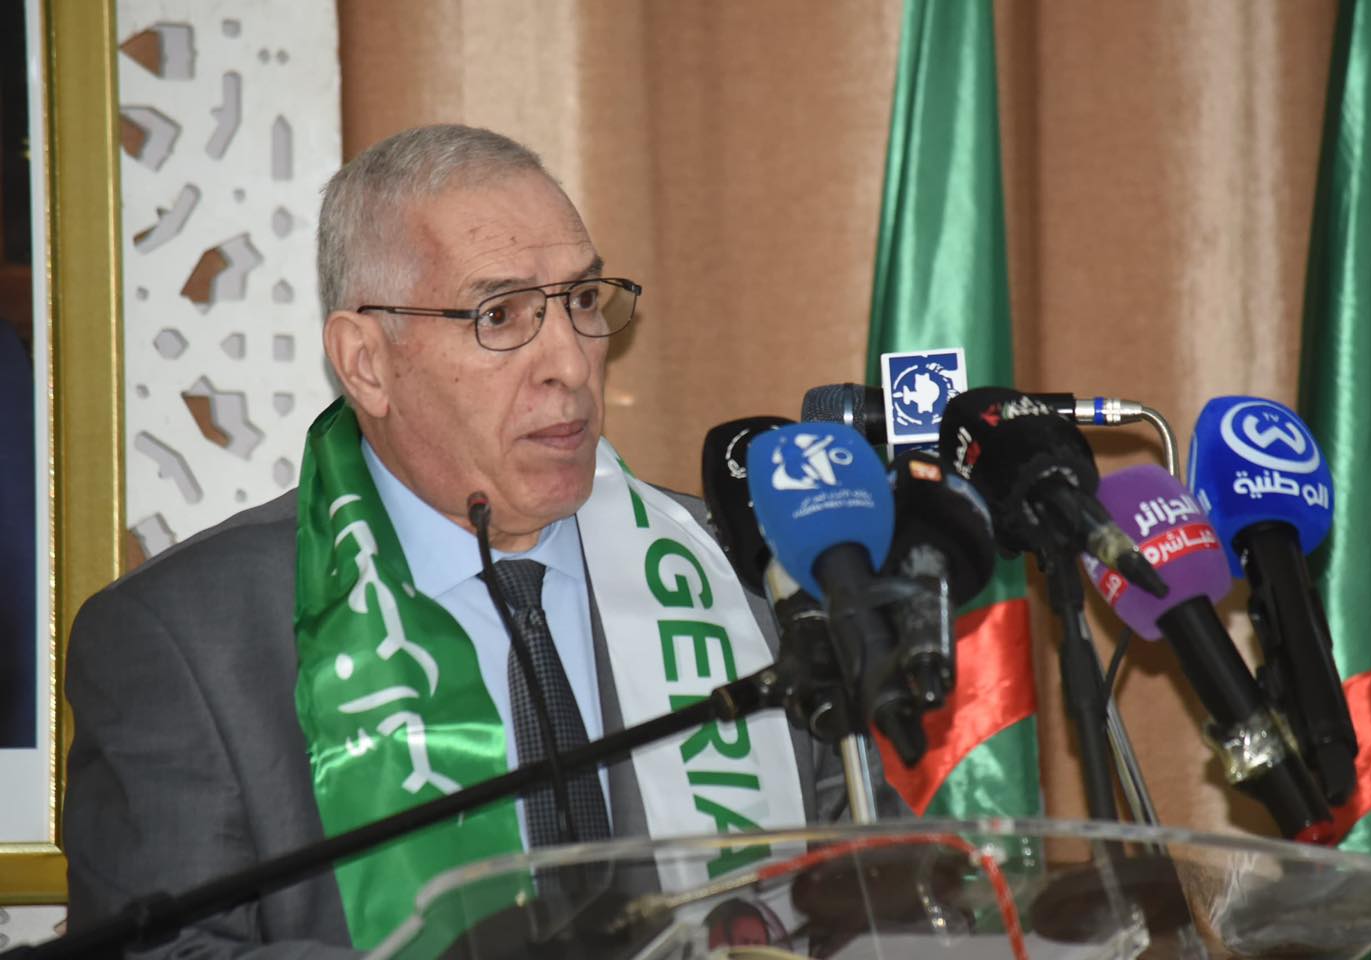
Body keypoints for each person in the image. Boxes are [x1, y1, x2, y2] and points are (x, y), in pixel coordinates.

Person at [64, 125, 878, 958]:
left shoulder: (754, 571)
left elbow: (878, 902)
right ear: (366, 363)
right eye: (500, 315)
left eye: (583, 300)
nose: (572, 364)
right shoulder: (185, 643)